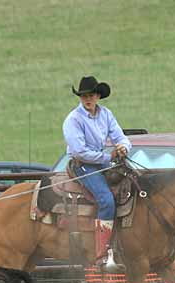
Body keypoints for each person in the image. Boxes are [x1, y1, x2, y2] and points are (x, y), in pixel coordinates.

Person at [62, 75, 131, 269]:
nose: (87, 98)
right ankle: (101, 254)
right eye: (84, 95)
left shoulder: (106, 114)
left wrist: (124, 148)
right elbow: (79, 151)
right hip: (82, 164)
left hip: (101, 160)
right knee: (106, 199)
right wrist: (109, 157)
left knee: (133, 185)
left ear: (98, 96)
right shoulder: (73, 120)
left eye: (91, 95)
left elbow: (120, 136)